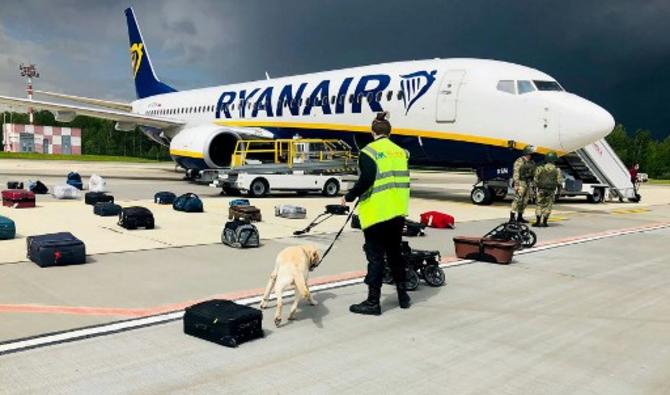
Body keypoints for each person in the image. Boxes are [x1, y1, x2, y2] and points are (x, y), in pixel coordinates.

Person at [341, 111, 411, 315]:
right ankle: (403, 296)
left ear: (373, 132)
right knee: (395, 255)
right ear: (389, 132)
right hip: (398, 212)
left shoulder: (368, 152)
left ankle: (373, 302)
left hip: (377, 213)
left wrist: (350, 196)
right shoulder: (401, 152)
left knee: (376, 258)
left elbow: (367, 179)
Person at [533, 151, 562, 227]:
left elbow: (535, 180)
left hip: (541, 190)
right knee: (548, 206)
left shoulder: (540, 168)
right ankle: (545, 222)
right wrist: (559, 192)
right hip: (551, 191)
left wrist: (534, 189)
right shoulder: (557, 170)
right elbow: (559, 182)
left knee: (539, 205)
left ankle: (538, 222)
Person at [510, 146, 536, 223]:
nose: (531, 155)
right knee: (517, 199)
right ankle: (512, 217)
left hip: (528, 183)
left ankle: (520, 216)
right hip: (521, 182)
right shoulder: (519, 161)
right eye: (530, 153)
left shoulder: (531, 162)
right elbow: (516, 172)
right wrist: (516, 184)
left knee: (525, 201)